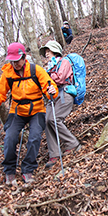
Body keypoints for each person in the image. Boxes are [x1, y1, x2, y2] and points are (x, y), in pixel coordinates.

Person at [0, 42, 58, 185]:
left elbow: (49, 86)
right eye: (12, 61)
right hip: (17, 111)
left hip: (37, 110)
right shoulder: (8, 74)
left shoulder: (36, 70)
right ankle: (9, 171)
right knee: (10, 138)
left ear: (24, 57)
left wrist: (51, 93)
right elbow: (0, 94)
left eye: (17, 60)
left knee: (34, 137)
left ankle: (28, 169)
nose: (15, 64)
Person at [39, 40, 81, 169]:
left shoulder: (64, 62)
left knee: (54, 119)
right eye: (45, 52)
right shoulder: (51, 66)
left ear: (55, 51)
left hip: (65, 94)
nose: (46, 54)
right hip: (53, 97)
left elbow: (60, 78)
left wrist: (47, 74)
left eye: (48, 51)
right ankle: (54, 154)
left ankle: (73, 143)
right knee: (46, 120)